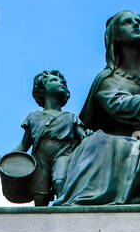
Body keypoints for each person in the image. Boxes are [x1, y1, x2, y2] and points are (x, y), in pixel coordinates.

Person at [53, 10, 140, 207]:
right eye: (128, 22)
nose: (136, 25)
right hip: (121, 142)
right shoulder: (108, 79)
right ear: (116, 35)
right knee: (99, 144)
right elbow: (121, 106)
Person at [7, 69, 86, 205]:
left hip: (64, 155)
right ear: (42, 90)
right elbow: (23, 145)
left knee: (60, 181)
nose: (60, 82)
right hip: (40, 160)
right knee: (39, 194)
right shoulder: (33, 117)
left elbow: (85, 139)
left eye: (62, 81)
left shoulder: (71, 118)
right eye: (54, 80)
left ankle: (64, 211)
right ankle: (39, 222)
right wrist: (7, 159)